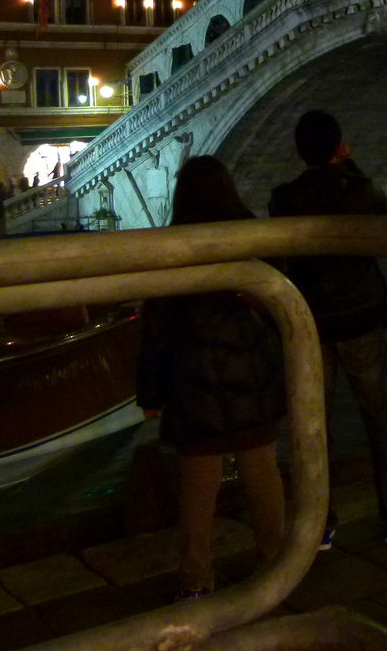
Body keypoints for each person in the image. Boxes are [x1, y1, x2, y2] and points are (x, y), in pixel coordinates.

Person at [269, 111, 387, 547]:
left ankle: (320, 522)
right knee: (379, 417)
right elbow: (384, 205)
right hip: (361, 319)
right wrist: (347, 165)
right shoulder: (359, 191)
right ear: (340, 148)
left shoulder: (286, 198)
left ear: (299, 151)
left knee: (315, 423)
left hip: (313, 321)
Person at [136, 156, 286, 598]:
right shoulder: (252, 235)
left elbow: (157, 329)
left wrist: (150, 392)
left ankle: (196, 580)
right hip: (250, 373)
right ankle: (275, 566)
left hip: (194, 377)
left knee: (198, 485)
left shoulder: (173, 245)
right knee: (262, 472)